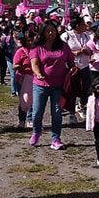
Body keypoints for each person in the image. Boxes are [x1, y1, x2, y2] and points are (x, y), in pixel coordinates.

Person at [29, 20, 76, 150]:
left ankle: (56, 138)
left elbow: (71, 62)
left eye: (53, 30)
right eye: (48, 30)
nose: (51, 33)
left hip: (59, 86)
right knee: (37, 112)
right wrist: (38, 73)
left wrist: (72, 68)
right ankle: (36, 132)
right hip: (40, 85)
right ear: (43, 32)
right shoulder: (37, 47)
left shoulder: (63, 46)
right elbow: (35, 64)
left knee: (57, 113)